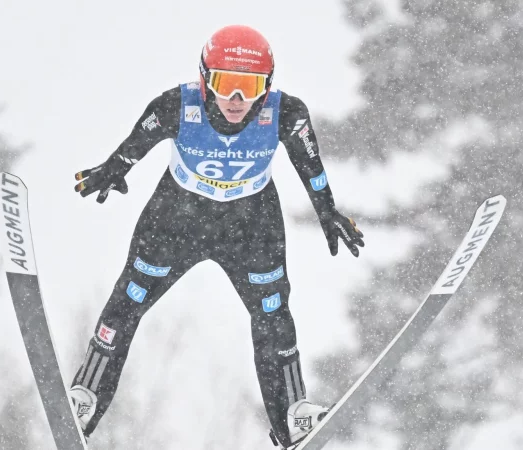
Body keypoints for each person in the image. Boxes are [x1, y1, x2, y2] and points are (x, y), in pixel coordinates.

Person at [68, 24, 364, 449]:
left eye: (250, 86)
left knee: (273, 314)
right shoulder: (176, 104)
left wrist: (328, 212)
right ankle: (88, 396)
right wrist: (113, 170)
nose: (237, 100)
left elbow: (310, 167)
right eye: (227, 85)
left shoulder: (287, 113)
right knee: (126, 302)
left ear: (269, 85)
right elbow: (136, 144)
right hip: (176, 221)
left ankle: (292, 416)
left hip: (251, 226)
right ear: (205, 78)